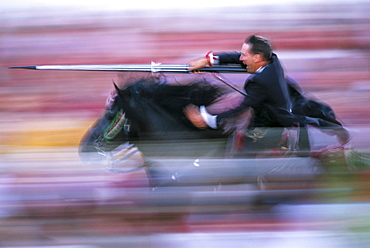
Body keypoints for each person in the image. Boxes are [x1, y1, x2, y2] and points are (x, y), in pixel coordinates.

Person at [184, 34, 349, 154]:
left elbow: (242, 108)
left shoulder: (261, 81)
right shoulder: (271, 59)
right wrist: (209, 60)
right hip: (279, 115)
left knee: (238, 161)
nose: (240, 58)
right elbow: (238, 58)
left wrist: (208, 119)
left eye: (244, 55)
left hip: (272, 128)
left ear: (257, 58)